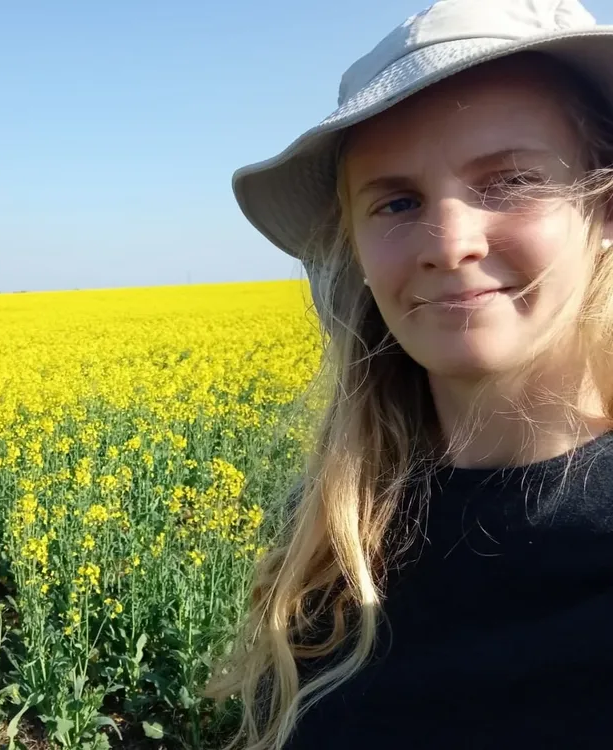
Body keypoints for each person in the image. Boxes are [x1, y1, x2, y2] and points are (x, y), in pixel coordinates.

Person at [206, 1, 613, 748]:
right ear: (355, 246)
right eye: (397, 201)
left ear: (605, 205)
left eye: (510, 181)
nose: (449, 243)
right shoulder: (334, 537)